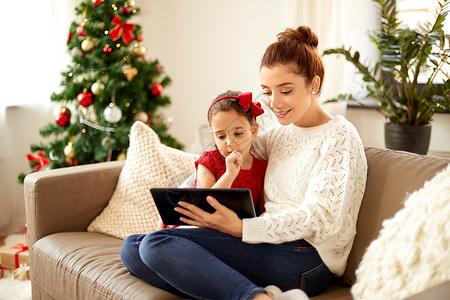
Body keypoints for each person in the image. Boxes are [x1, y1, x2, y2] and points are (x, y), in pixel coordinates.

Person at [120, 25, 368, 300]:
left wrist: (241, 228)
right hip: (262, 243)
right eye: (267, 91)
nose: (274, 103)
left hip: (307, 258)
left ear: (314, 84)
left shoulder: (339, 135)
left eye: (285, 90)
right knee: (133, 247)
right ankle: (255, 291)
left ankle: (252, 297)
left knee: (154, 246)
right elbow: (220, 158)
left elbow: (322, 218)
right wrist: (181, 205)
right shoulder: (279, 134)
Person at [195, 90, 267, 213]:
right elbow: (204, 209)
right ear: (213, 136)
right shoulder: (209, 161)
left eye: (238, 133)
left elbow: (260, 215)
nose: (229, 143)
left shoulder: (261, 169)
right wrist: (230, 174)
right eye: (221, 136)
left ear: (254, 130)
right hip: (200, 228)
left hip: (235, 230)